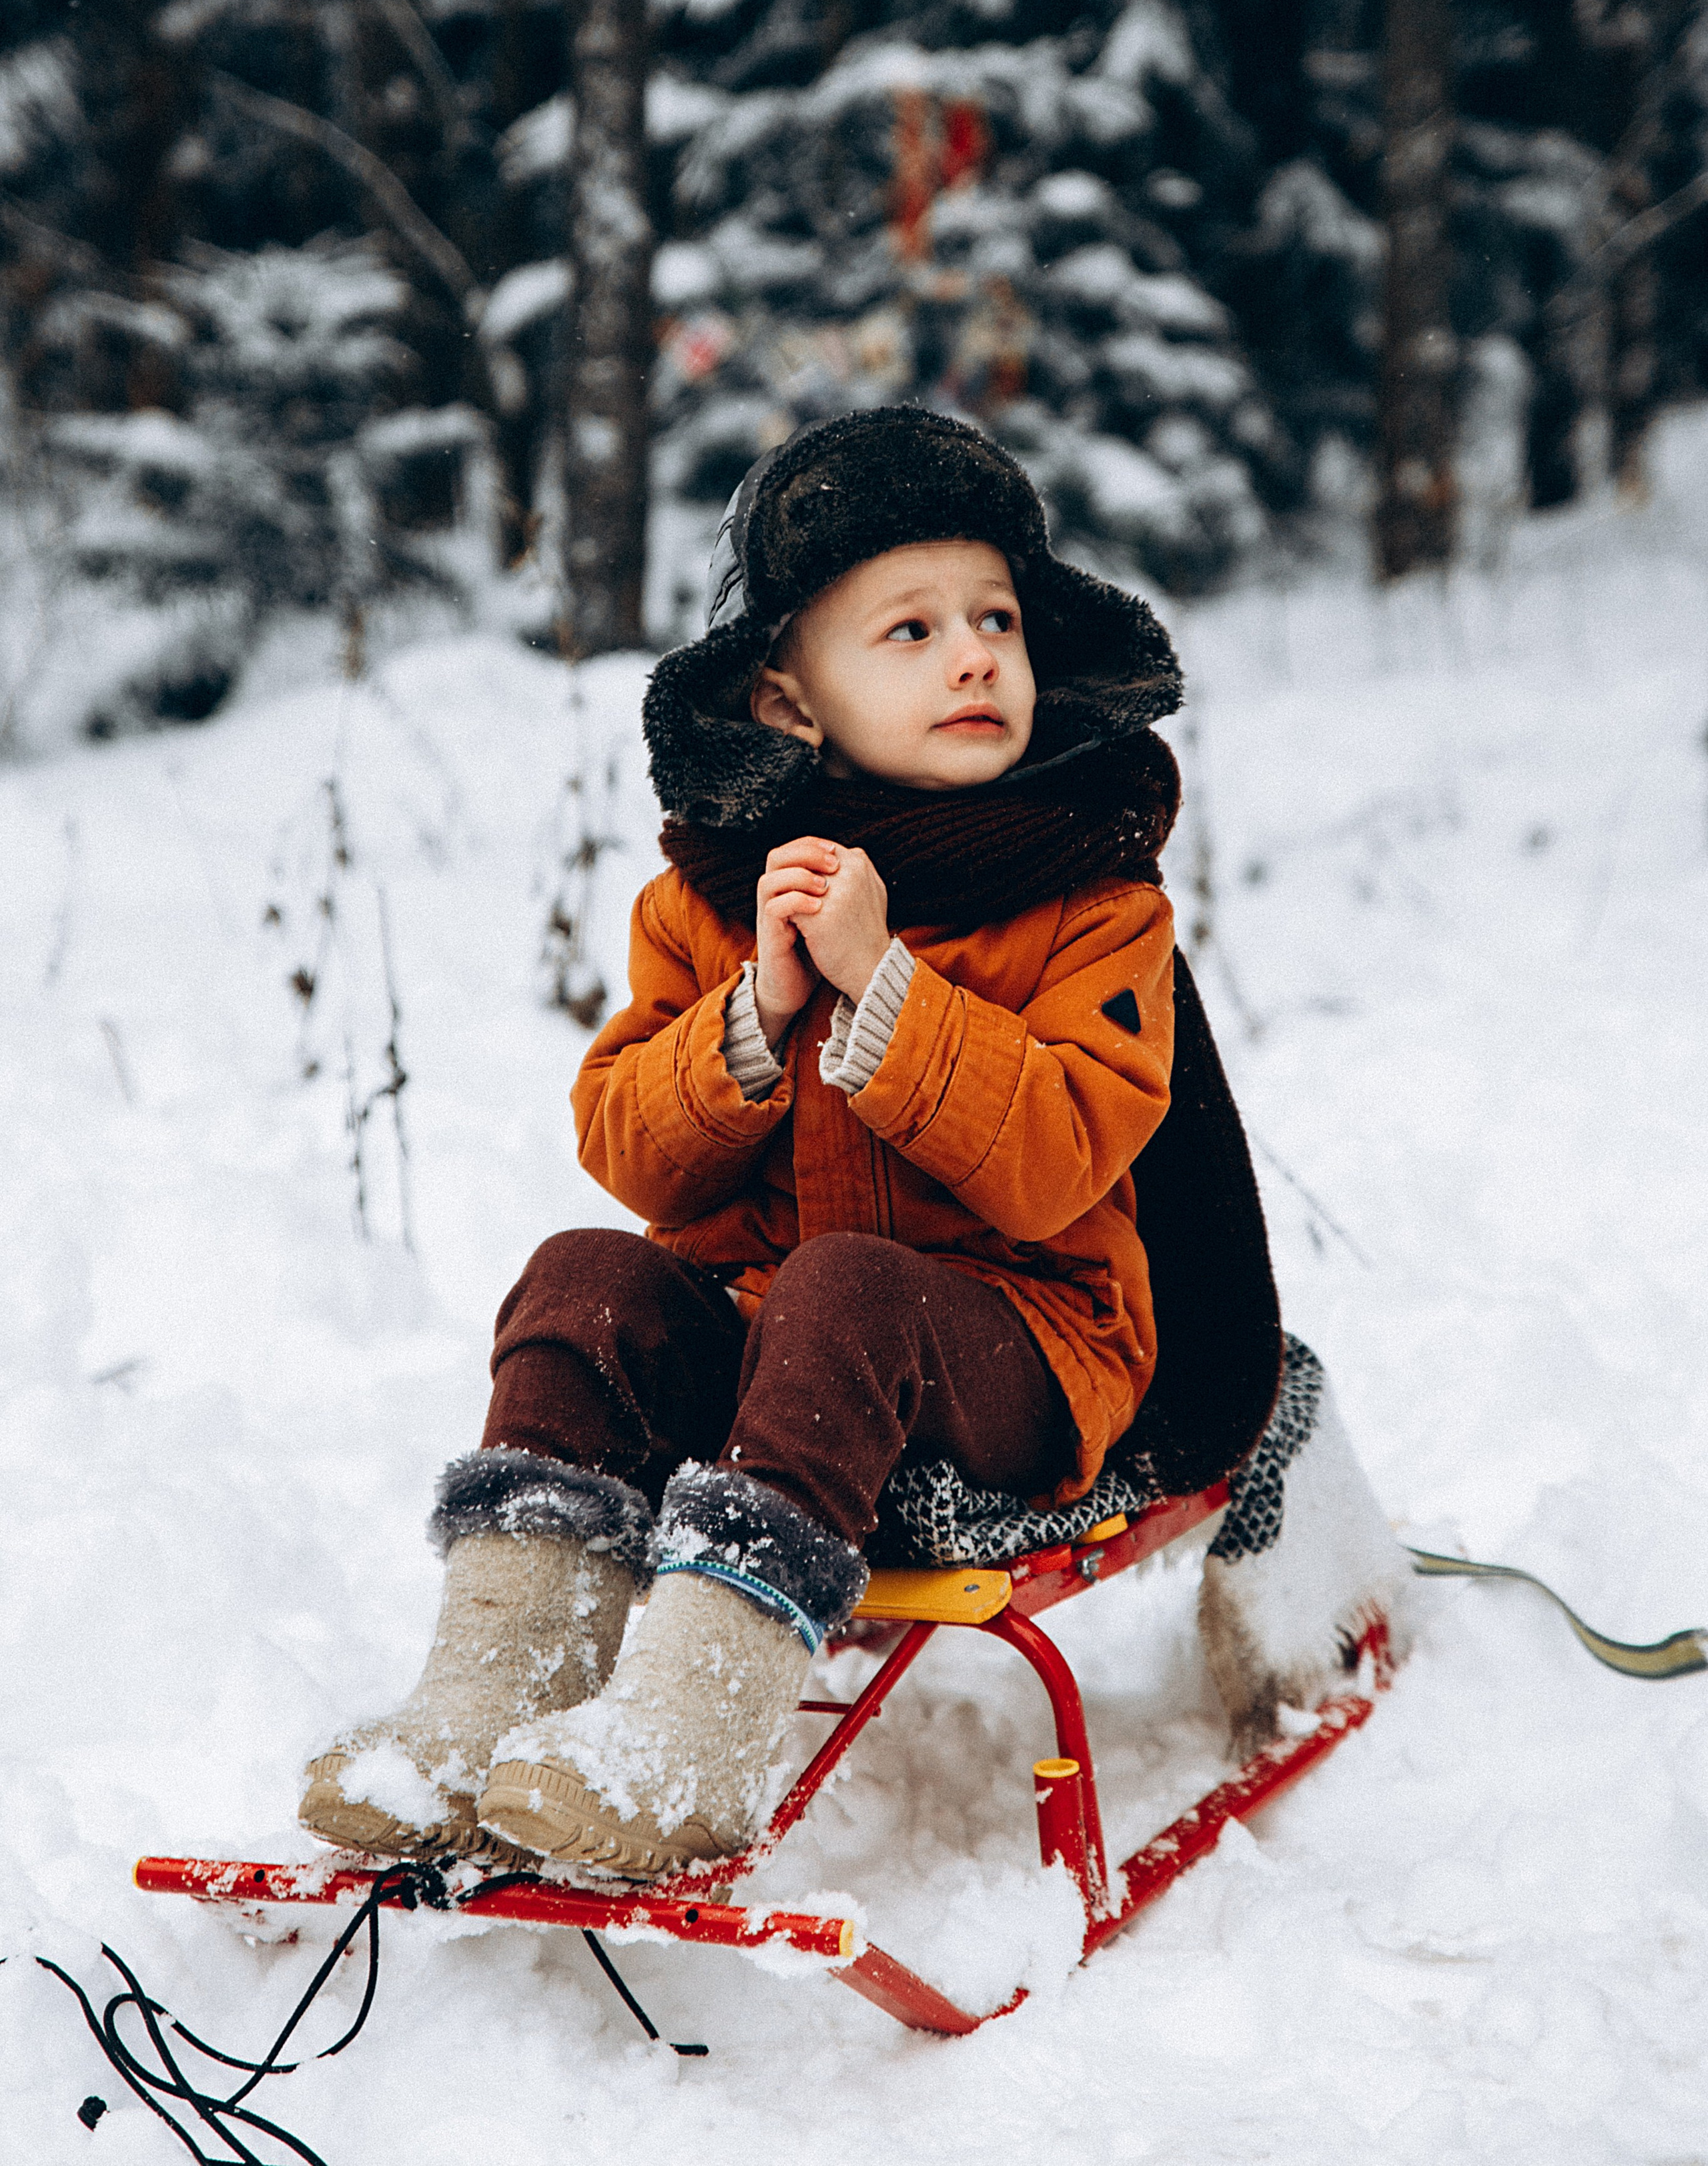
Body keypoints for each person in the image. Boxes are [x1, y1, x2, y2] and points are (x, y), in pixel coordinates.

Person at [298, 408, 1283, 1880]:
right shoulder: (705, 901)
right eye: (908, 631)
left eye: (995, 620)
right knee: (583, 1281)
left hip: (1020, 1348)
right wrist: (754, 1009)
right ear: (787, 699)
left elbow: (1062, 1157)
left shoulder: (1090, 902)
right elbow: (627, 1147)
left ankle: (683, 1745)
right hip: (785, 1357)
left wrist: (889, 990)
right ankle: (490, 1698)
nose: (971, 656)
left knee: (845, 1285)